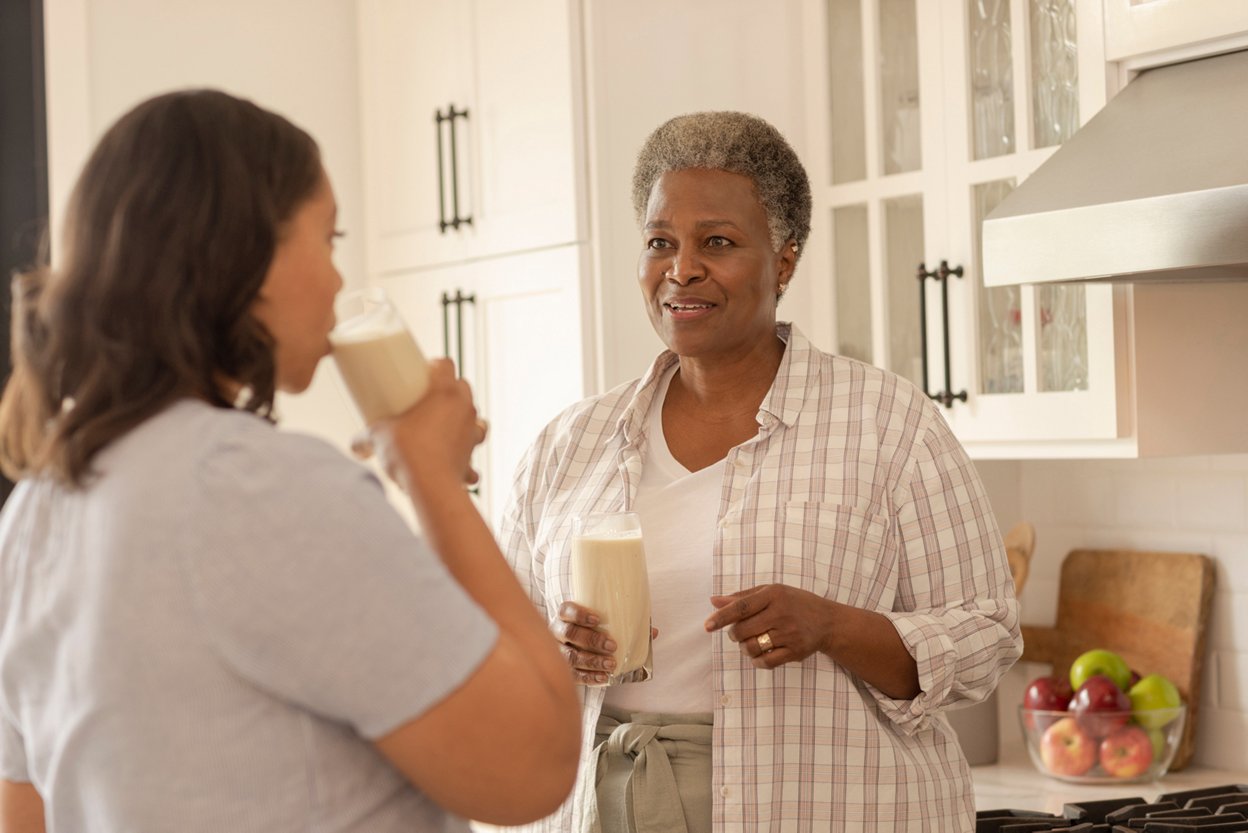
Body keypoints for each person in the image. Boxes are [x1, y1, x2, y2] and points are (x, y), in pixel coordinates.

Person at [0, 89, 580, 833]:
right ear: (245, 254)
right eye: (329, 239)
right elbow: (532, 767)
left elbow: (28, 817)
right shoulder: (260, 489)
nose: (340, 280)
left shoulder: (38, 510)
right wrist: (430, 474)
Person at [499, 111, 1022, 832]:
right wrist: (554, 651)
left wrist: (834, 624)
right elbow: (498, 651)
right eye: (660, 242)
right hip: (606, 804)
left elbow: (987, 636)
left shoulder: (889, 422)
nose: (681, 268)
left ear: (784, 259)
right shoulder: (571, 444)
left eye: (717, 241)